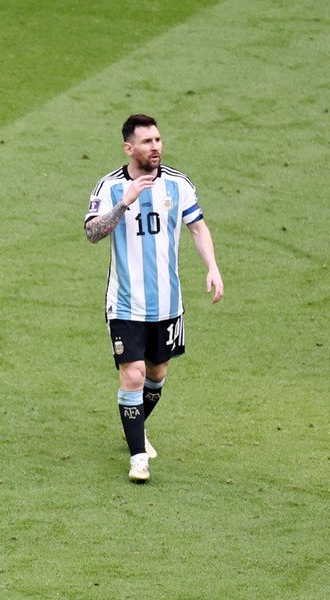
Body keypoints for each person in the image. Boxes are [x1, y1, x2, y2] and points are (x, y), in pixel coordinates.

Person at [85, 113, 223, 483]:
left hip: (167, 303)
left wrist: (212, 266)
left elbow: (197, 227)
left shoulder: (179, 185)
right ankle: (137, 457)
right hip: (126, 303)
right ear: (129, 148)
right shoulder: (110, 187)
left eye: (158, 139)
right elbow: (93, 233)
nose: (156, 146)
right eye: (147, 142)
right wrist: (124, 203)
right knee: (133, 373)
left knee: (157, 374)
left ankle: (134, 425)